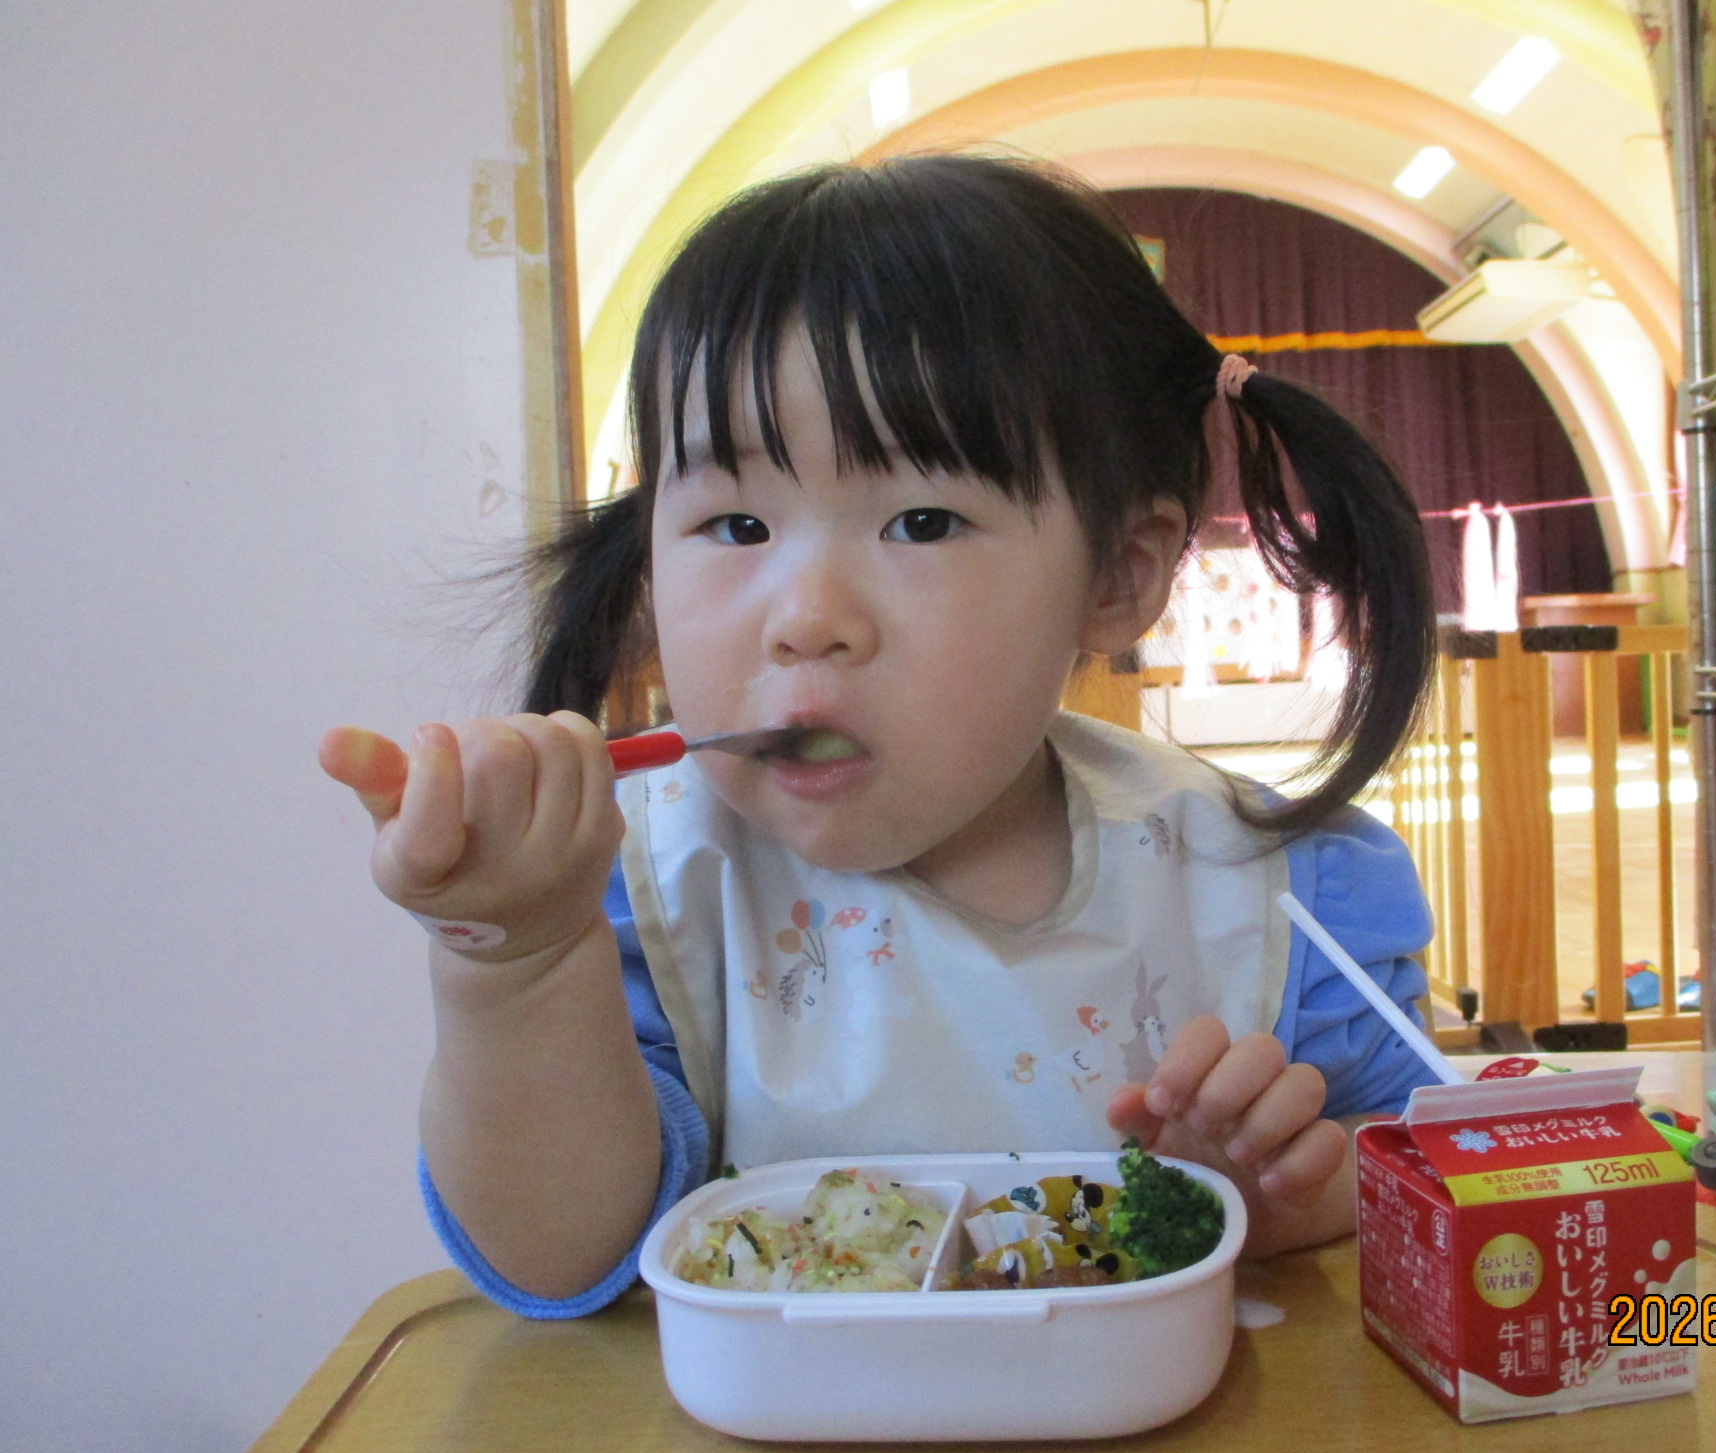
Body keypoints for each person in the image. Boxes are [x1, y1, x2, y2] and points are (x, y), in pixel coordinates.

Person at [319, 155, 1441, 1318]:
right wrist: (516, 966)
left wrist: (1255, 1203)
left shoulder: (1274, 890)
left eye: (920, 521)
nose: (807, 618)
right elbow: (555, 1258)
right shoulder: (634, 890)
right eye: (735, 525)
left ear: (1117, 574)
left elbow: (1433, 1164)